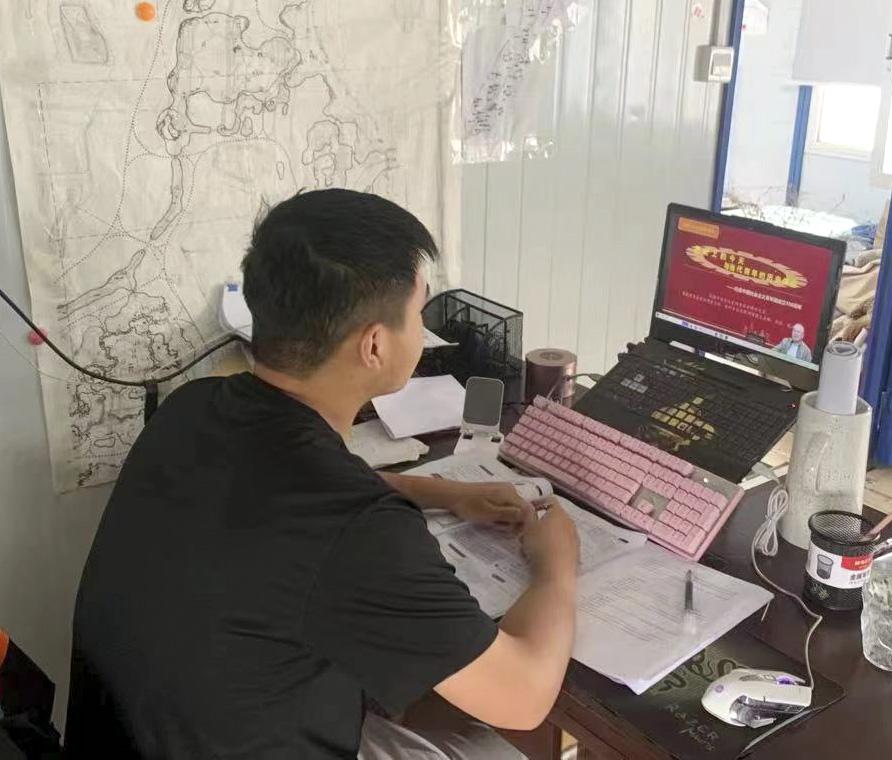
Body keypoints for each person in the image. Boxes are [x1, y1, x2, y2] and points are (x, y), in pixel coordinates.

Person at [64, 189, 580, 759]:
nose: (421, 330)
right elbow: (524, 696)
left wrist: (441, 492)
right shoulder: (359, 530)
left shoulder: (194, 407)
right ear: (375, 345)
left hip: (135, 736)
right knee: (498, 748)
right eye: (418, 314)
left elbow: (280, 495)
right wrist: (557, 563)